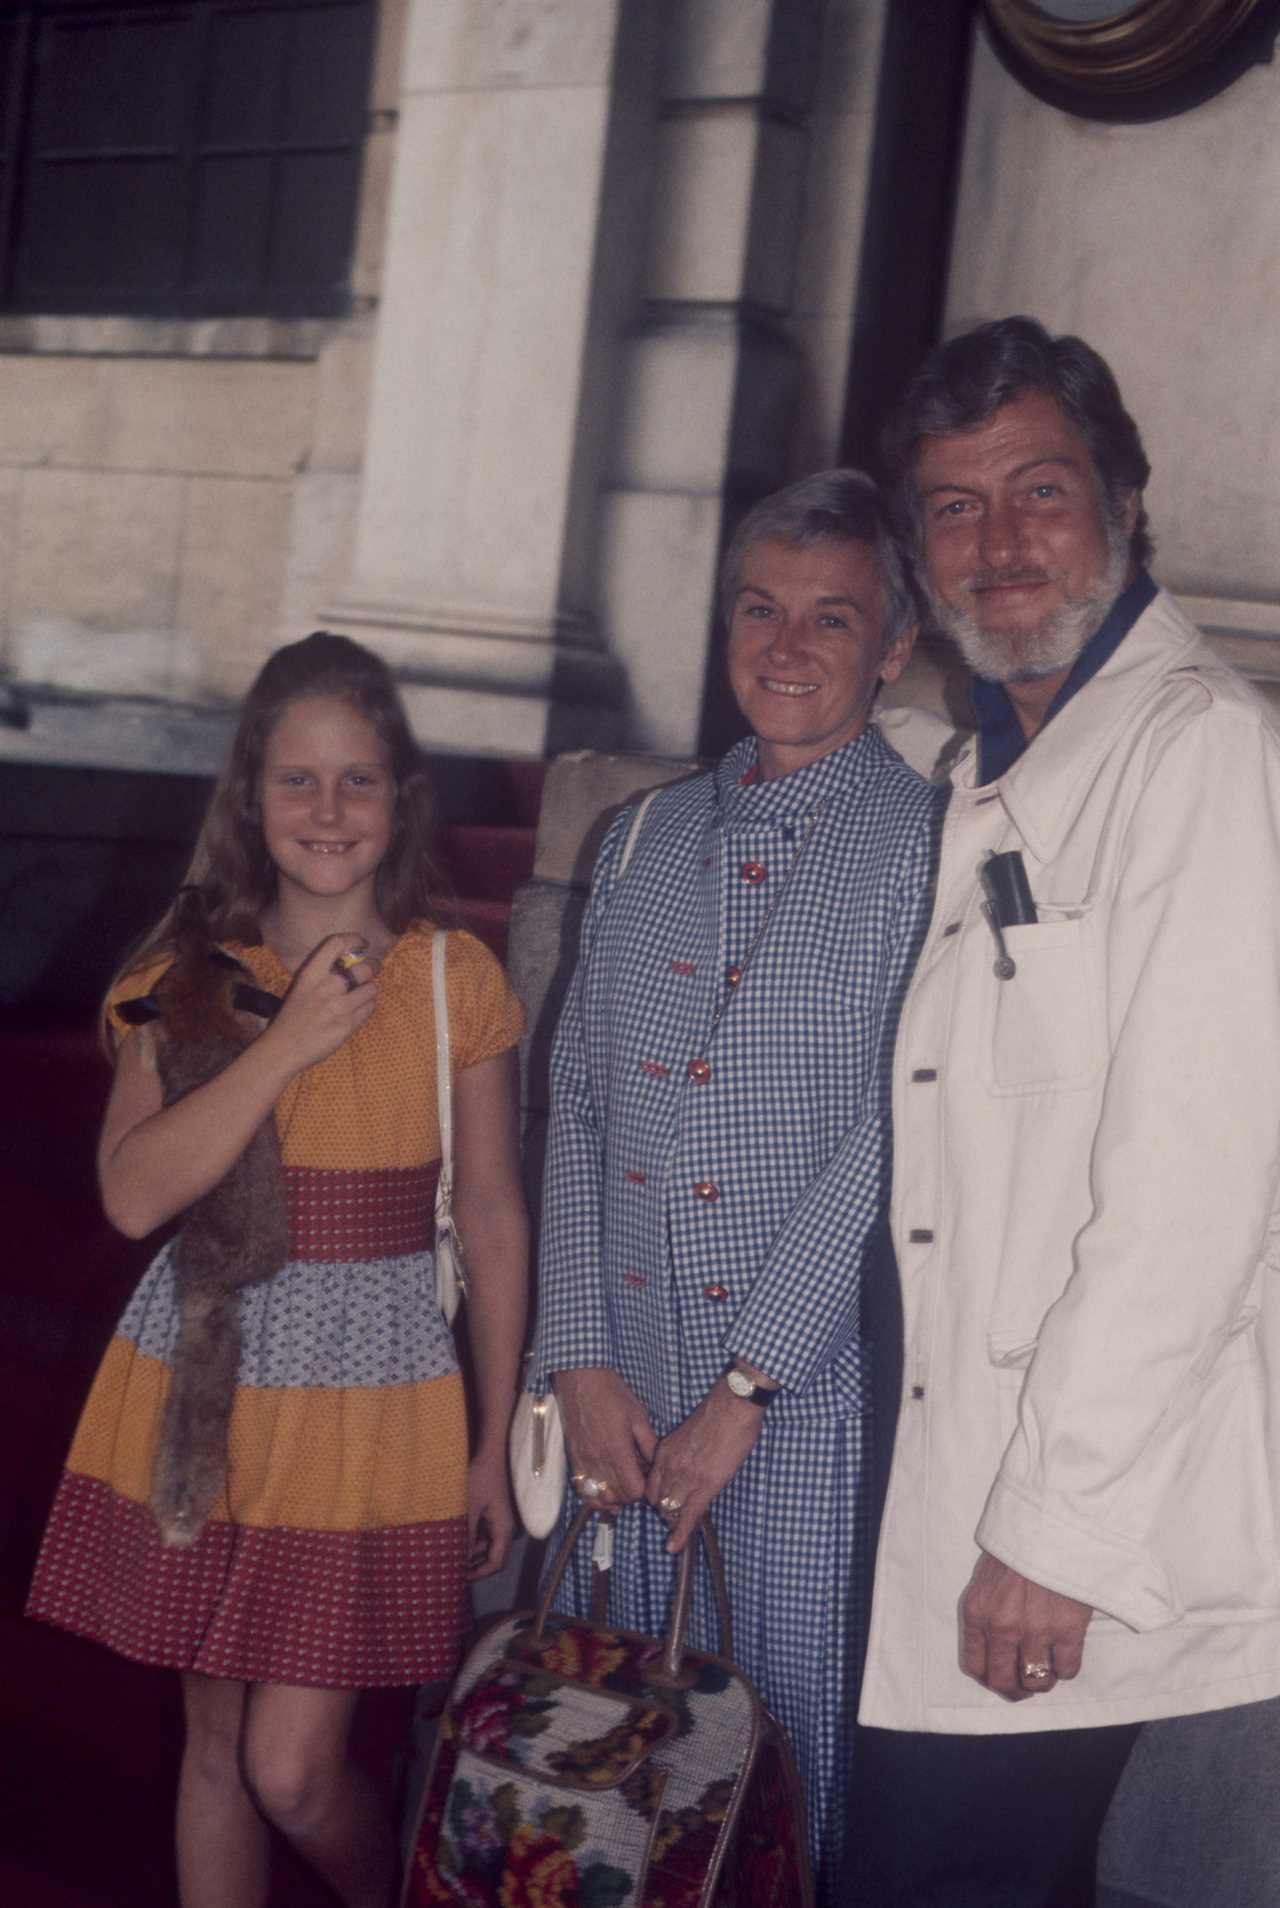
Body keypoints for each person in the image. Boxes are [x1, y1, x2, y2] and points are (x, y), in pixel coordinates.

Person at [848, 315, 1280, 1906]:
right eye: (956, 507)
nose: (1002, 541)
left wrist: (1056, 1536)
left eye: (1041, 490)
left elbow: (1193, 1198)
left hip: (1068, 1538)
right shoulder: (986, 763)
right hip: (946, 1485)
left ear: (1125, 504)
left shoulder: (1203, 759)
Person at [26, 632, 529, 1908]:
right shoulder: (181, 980)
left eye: (357, 780)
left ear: (400, 796)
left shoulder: (446, 978)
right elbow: (134, 1193)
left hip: (375, 1394)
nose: (326, 810)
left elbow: (488, 1207)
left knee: (294, 1769)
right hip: (212, 1376)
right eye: (296, 781)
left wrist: (488, 1438)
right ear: (250, 795)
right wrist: (287, 1040)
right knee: (215, 1753)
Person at [531, 469, 943, 1899]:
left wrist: (746, 1388)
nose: (787, 646)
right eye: (761, 608)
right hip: (625, 1399)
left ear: (893, 647)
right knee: (601, 1759)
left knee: (771, 1778)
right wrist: (578, 1354)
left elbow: (898, 1131)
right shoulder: (642, 836)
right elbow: (575, 1098)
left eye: (833, 618)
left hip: (798, 1412)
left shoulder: (928, 850)